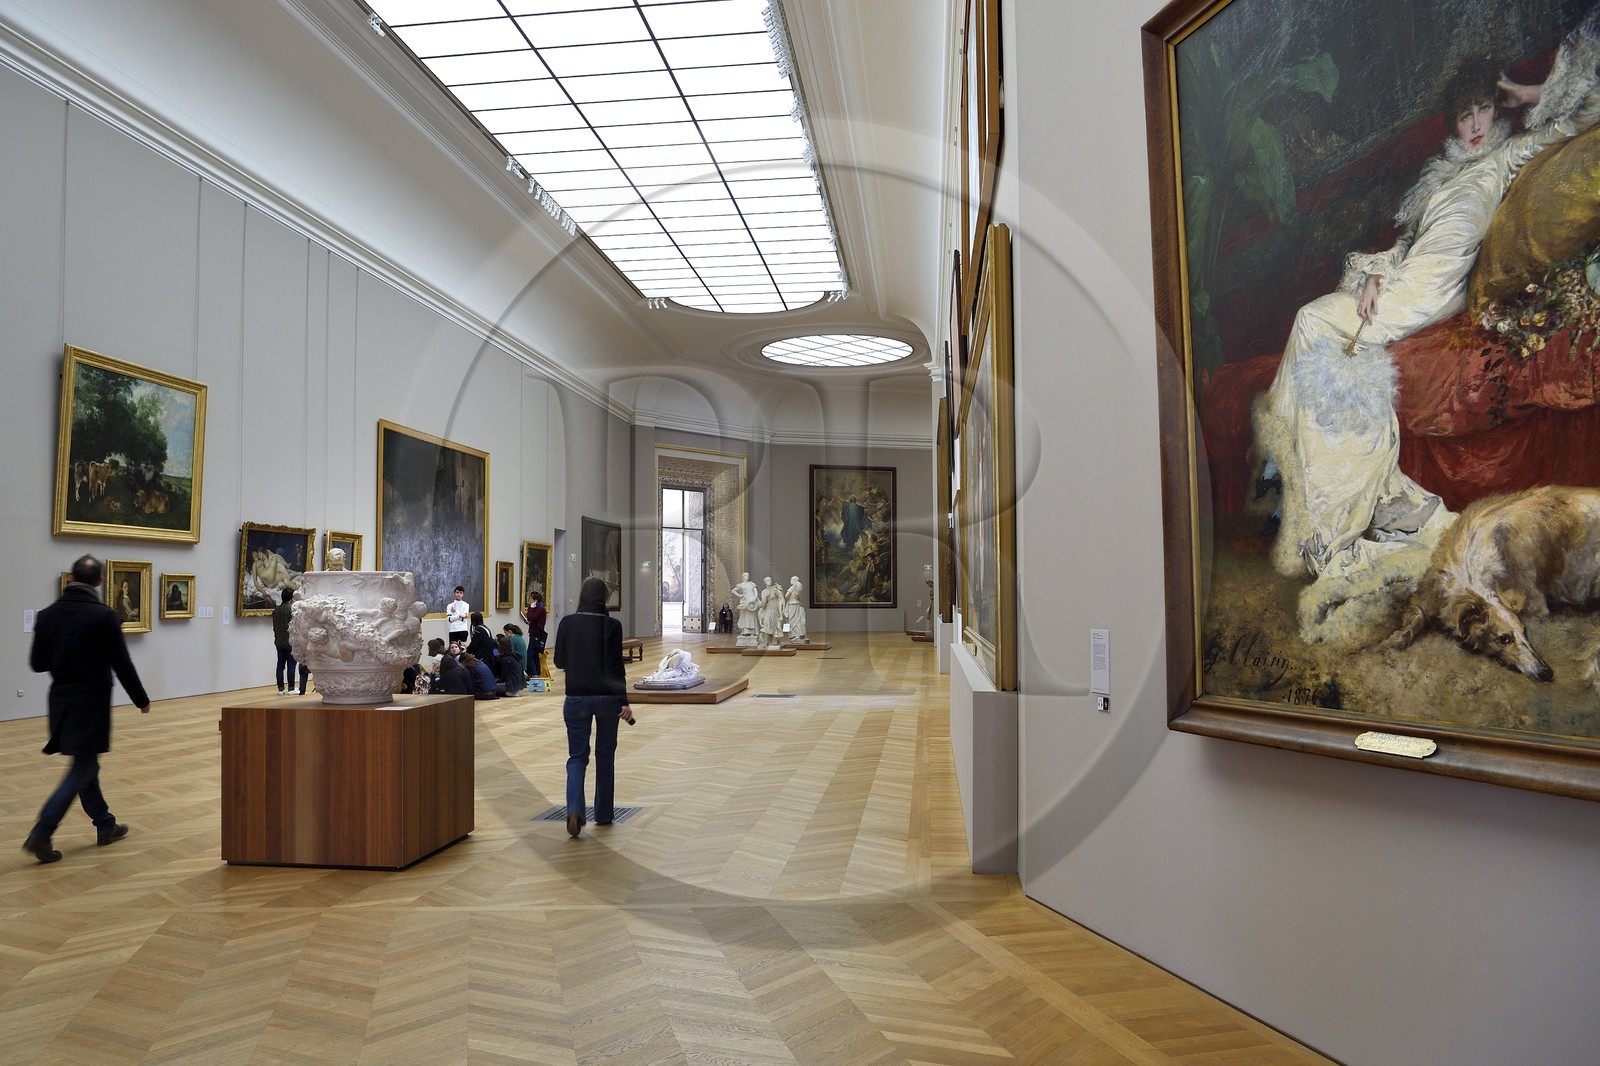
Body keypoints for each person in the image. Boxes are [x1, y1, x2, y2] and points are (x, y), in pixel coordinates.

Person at [1255, 31, 1600, 584]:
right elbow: (1405, 249)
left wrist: (1520, 90)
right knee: (1315, 321)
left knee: (1314, 320)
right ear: (1452, 124)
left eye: (1484, 109)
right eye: (1465, 115)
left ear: (1496, 108)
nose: (1477, 125)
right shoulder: (1437, 180)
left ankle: (1291, 475)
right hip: (1405, 279)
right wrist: (1369, 275)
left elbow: (1588, 108)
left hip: (1434, 292)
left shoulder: (1507, 157)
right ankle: (1295, 475)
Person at [23, 554, 151, 864]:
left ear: (71, 579)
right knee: (84, 767)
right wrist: (141, 699)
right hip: (90, 703)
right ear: (99, 581)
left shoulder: (48, 615)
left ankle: (105, 825)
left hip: (60, 702)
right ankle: (43, 830)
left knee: (86, 763)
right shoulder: (103, 616)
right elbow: (123, 663)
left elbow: (37, 664)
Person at [553, 576, 634, 838]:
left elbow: (560, 661)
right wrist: (624, 701)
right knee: (605, 755)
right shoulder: (612, 625)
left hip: (576, 696)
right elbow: (615, 666)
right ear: (603, 598)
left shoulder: (567, 622)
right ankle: (604, 813)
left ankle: (575, 808)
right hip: (607, 698)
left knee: (577, 757)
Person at [271, 588, 308, 694]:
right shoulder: (291, 609)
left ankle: (281, 688)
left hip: (279, 641)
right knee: (291, 665)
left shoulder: (276, 610)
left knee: (280, 665)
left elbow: (275, 627)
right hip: (290, 641)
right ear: (292, 598)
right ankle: (291, 688)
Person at [524, 592, 548, 676]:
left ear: (535, 600)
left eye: (531, 599)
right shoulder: (538, 608)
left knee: (529, 657)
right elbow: (532, 619)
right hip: (534, 634)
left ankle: (534, 675)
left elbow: (531, 617)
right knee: (535, 657)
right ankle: (537, 674)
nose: (529, 601)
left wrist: (530, 608)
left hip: (536, 635)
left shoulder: (541, 609)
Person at [758, 575, 784, 646]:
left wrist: (781, 612)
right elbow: (763, 603)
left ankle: (776, 641)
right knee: (766, 624)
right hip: (768, 609)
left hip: (775, 609)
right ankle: (766, 642)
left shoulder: (775, 590)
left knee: (776, 625)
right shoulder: (764, 591)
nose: (769, 581)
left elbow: (781, 599)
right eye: (767, 580)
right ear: (765, 582)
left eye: (770, 580)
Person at [731, 572, 759, 637]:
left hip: (751, 601)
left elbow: (755, 592)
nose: (747, 577)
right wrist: (740, 595)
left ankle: (752, 632)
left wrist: (754, 598)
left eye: (748, 576)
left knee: (752, 617)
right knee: (744, 616)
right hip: (745, 601)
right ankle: (744, 631)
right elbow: (733, 591)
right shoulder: (741, 585)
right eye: (745, 576)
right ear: (743, 577)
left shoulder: (751, 584)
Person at [784, 576, 808, 643]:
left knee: (792, 621)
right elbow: (800, 598)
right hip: (797, 604)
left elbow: (786, 596)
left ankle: (795, 635)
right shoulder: (799, 589)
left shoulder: (792, 588)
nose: (790, 581)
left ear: (794, 581)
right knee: (797, 620)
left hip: (792, 605)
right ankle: (799, 634)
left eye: (791, 580)